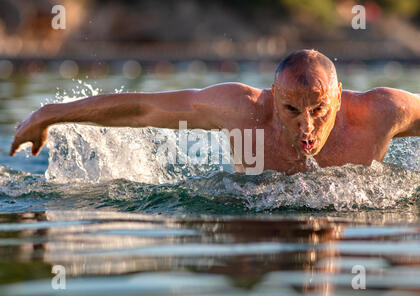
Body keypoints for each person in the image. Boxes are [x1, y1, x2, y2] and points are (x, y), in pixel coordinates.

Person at [9, 49, 420, 175]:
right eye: (291, 109)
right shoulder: (241, 109)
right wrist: (49, 112)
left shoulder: (381, 112)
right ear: (273, 96)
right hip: (254, 229)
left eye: (320, 110)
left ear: (340, 97)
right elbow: (142, 109)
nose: (306, 125)